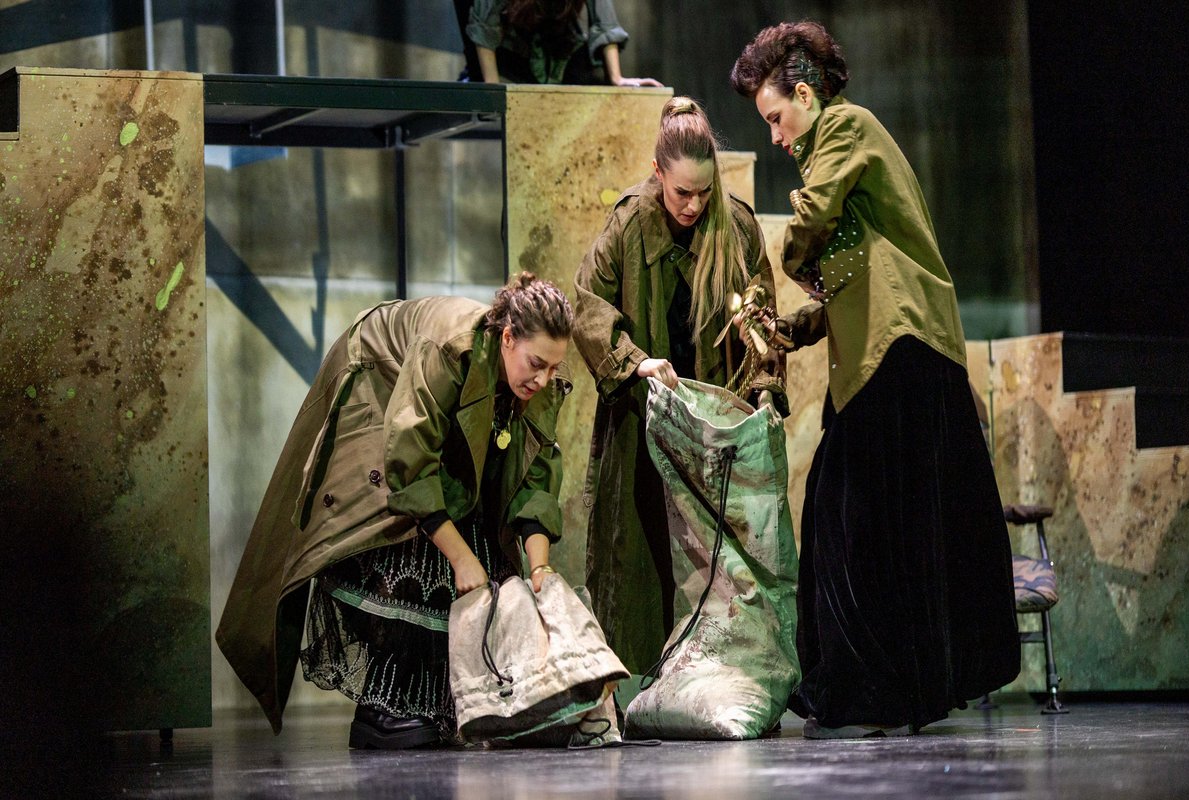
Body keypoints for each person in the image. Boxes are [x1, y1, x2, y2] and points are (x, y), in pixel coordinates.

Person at [729, 21, 1021, 738]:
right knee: (866, 521)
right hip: (893, 347)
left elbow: (813, 224)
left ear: (805, 94)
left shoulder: (844, 127)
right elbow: (856, 269)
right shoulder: (845, 154)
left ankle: (870, 690)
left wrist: (769, 269)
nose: (775, 136)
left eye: (775, 116)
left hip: (901, 347)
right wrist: (793, 326)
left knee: (854, 519)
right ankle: (876, 688)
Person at [216, 273, 575, 749]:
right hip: (377, 383)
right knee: (404, 534)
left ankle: (438, 704)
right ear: (508, 337)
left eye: (554, 367)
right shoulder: (447, 347)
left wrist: (541, 569)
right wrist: (461, 558)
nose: (544, 378)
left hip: (430, 415)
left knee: (480, 538)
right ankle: (386, 707)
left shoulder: (538, 380)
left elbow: (535, 480)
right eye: (536, 364)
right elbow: (409, 464)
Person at [573, 96, 787, 676]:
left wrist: (766, 390)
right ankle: (640, 685)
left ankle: (723, 678)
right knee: (636, 558)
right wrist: (635, 362)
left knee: (723, 561)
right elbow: (586, 306)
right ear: (657, 173)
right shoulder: (627, 224)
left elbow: (762, 320)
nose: (694, 205)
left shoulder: (735, 225)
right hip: (644, 418)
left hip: (716, 426)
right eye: (681, 193)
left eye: (704, 192)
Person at [460, 0, 661, 86]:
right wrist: (493, 88)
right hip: (511, 48)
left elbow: (605, 21)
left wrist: (617, 78)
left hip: (558, 46)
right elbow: (484, 24)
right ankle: (474, 73)